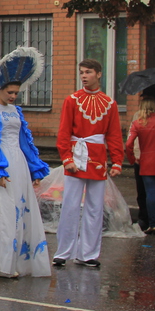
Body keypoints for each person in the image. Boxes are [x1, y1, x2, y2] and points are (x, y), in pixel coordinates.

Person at [0, 46, 51, 278]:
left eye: (16, 92)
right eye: (10, 92)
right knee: (3, 213)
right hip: (1, 166)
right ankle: (1, 264)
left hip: (19, 164)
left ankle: (16, 262)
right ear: (0, 89)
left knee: (19, 211)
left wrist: (35, 169)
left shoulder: (16, 111)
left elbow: (25, 141)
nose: (13, 96)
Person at [53, 59, 124, 268]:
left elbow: (114, 135)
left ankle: (89, 254)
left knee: (95, 208)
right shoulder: (72, 100)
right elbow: (64, 132)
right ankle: (63, 252)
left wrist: (117, 161)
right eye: (82, 72)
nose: (84, 76)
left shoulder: (110, 104)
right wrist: (67, 158)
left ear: (99, 74)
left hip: (98, 159)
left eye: (88, 72)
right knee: (70, 206)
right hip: (76, 156)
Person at [125, 95, 155, 234]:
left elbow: (129, 144)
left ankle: (153, 223)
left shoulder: (138, 123)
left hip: (147, 162)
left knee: (150, 193)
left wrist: (132, 158)